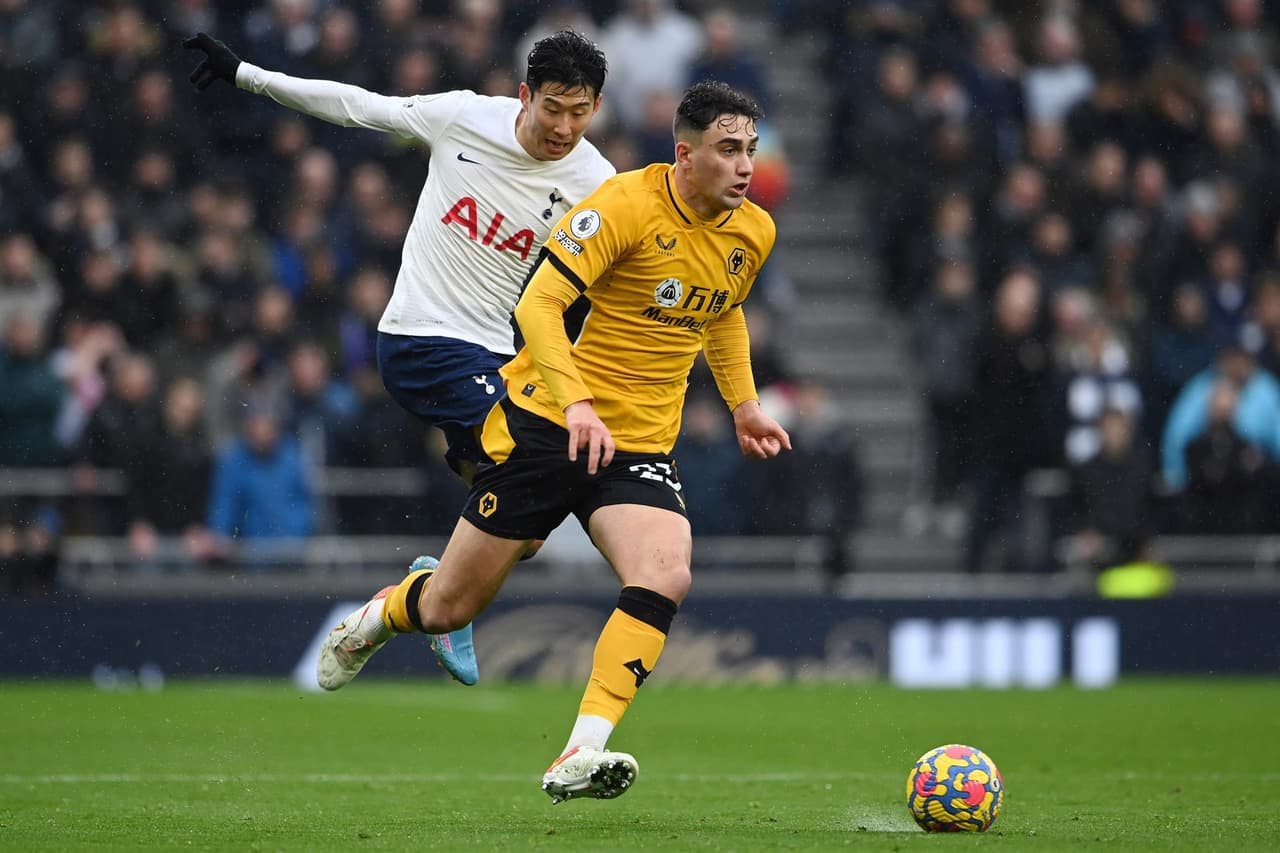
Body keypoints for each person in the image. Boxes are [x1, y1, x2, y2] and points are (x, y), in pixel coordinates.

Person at [316, 80, 790, 804]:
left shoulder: (753, 229)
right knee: (449, 607)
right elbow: (539, 301)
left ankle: (582, 748)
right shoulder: (623, 205)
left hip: (637, 446)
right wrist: (576, 406)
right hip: (551, 426)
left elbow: (722, 313)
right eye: (729, 149)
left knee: (665, 571)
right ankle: (378, 617)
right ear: (685, 153)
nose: (745, 165)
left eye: (751, 149)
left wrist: (745, 405)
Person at [184, 29, 615, 480]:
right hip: (419, 340)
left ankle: (460, 530)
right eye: (552, 109)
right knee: (525, 463)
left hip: (495, 359)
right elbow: (358, 106)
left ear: (597, 108)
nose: (564, 128)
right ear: (525, 95)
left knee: (528, 524)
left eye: (579, 113)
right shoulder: (464, 117)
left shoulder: (596, 183)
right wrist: (245, 75)